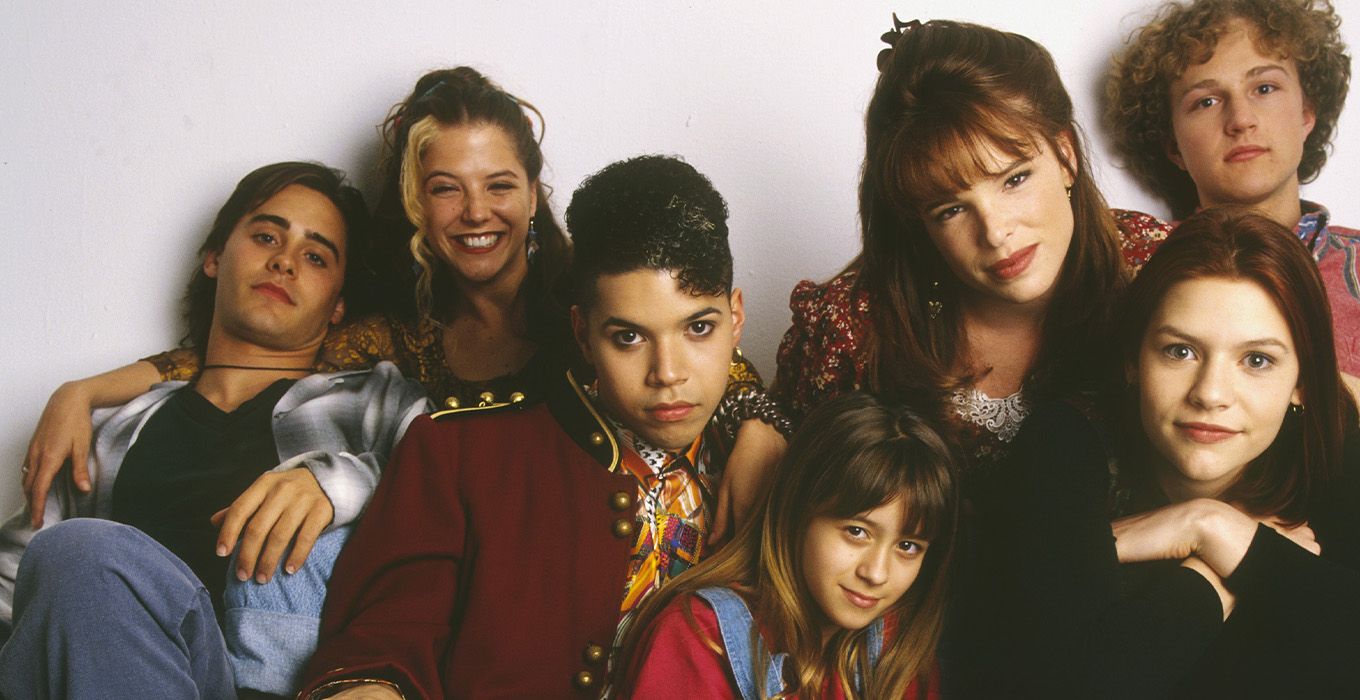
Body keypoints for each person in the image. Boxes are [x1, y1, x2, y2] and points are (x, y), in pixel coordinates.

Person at [21, 66, 788, 542]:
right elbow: (250, 356)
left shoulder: (582, 298)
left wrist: (758, 430)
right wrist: (84, 391)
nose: (476, 212)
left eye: (499, 186)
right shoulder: (390, 341)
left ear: (533, 194)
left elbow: (705, 358)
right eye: (445, 188)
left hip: (599, 545)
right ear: (415, 203)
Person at [298, 155, 750, 698]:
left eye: (699, 328)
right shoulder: (461, 452)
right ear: (582, 334)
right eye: (628, 337)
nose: (668, 375)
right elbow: (384, 643)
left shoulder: (776, 467)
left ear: (737, 318)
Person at [0, 162, 429, 699]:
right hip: (119, 663)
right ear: (214, 258)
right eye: (267, 236)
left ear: (339, 304)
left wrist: (335, 481)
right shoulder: (108, 429)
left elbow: (449, 493)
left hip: (281, 683)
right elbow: (16, 581)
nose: (284, 261)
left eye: (315, 256)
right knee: (79, 553)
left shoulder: (375, 403)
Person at [980, 208, 1360, 697]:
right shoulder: (1065, 440)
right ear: (1132, 361)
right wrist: (1209, 573)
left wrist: (1215, 530)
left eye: (1257, 360)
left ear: (1301, 383)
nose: (1210, 393)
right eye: (1180, 351)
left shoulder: (1326, 445)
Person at [773, 18, 1160, 472]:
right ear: (918, 222)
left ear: (1066, 155)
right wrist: (756, 422)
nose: (994, 233)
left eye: (1014, 180)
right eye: (950, 210)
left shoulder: (1157, 269)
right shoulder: (855, 333)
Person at [1106, 0, 1360, 398]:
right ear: (1173, 145)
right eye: (1205, 101)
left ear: (1306, 114)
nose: (1241, 119)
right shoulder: (1128, 265)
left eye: (1264, 88)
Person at [614, 392, 958, 699]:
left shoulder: (896, 650)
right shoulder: (699, 636)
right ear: (797, 512)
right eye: (856, 531)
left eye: (908, 546)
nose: (877, 573)